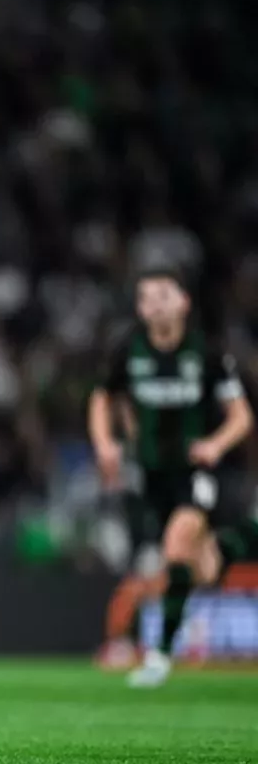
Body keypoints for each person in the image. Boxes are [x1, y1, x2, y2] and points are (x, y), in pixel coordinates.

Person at [89, 267, 255, 688]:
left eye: (163, 295)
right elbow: (102, 397)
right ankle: (242, 539)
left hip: (193, 472)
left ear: (184, 302)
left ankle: (159, 655)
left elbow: (241, 417)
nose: (155, 304)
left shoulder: (207, 354)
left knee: (176, 549)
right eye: (146, 298)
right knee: (202, 569)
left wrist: (215, 445)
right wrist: (105, 444)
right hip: (149, 475)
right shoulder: (129, 349)